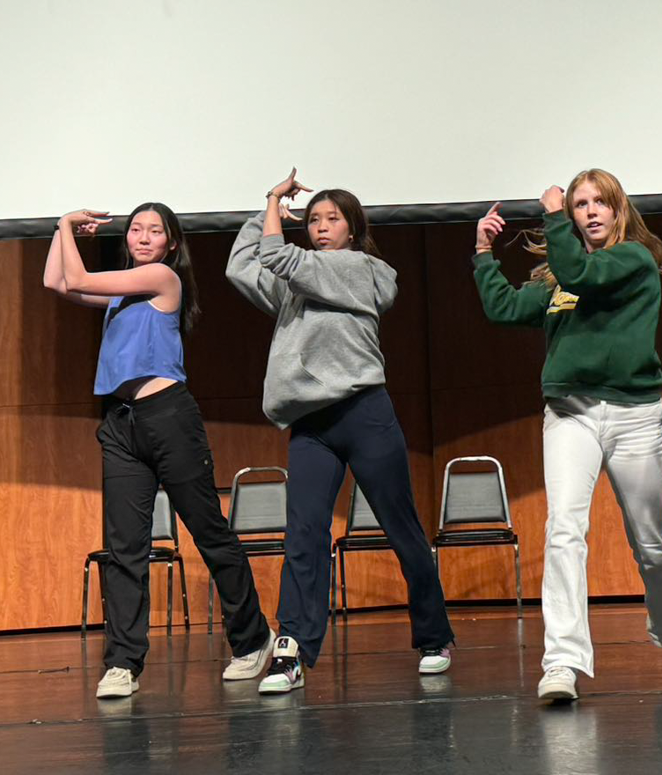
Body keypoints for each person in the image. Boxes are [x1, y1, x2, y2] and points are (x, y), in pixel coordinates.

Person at [471, 168, 662, 702]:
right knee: (563, 531)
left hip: (634, 415)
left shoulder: (632, 261)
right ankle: (562, 663)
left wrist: (550, 214)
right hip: (570, 413)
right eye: (579, 205)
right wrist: (484, 255)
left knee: (651, 545)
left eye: (601, 202)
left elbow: (582, 274)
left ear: (619, 210)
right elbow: (504, 308)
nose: (590, 211)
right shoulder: (562, 280)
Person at [226, 169, 454, 694]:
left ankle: (434, 636)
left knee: (401, 528)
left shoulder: (361, 268)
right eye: (314, 220)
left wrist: (277, 212)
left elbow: (278, 258)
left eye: (333, 219)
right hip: (312, 423)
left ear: (352, 228)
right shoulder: (297, 283)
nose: (321, 227)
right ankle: (294, 651)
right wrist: (267, 210)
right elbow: (244, 267)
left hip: (364, 413)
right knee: (304, 533)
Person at [46, 203, 274, 699]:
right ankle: (123, 663)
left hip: (168, 418)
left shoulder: (160, 278)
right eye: (135, 229)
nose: (143, 237)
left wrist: (66, 226)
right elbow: (58, 283)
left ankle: (253, 639)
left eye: (155, 230)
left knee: (209, 531)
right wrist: (59, 231)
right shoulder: (123, 293)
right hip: (121, 423)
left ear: (171, 243)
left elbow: (77, 272)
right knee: (124, 547)